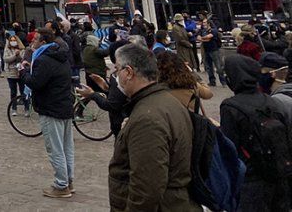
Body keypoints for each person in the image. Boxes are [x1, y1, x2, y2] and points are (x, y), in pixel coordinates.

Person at [107, 43, 198, 210]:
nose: (116, 76)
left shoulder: (147, 118)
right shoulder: (166, 101)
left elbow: (146, 188)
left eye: (117, 70)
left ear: (128, 72)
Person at [220, 53, 292, 209]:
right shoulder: (272, 101)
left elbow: (229, 149)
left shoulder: (231, 106)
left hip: (250, 180)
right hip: (279, 175)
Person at [19, 27, 75, 199]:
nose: (32, 41)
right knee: (66, 148)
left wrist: (24, 71)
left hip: (51, 108)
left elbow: (35, 82)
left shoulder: (43, 59)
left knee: (55, 149)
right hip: (64, 106)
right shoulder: (61, 56)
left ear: (43, 42)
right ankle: (68, 181)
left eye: (35, 39)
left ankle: (61, 185)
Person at [3, 34, 29, 115]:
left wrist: (19, 55)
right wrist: (15, 55)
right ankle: (14, 108)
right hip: (11, 73)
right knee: (13, 92)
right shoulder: (7, 49)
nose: (13, 42)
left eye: (14, 40)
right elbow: (6, 59)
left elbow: (23, 59)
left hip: (20, 73)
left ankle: (26, 108)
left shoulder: (22, 49)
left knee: (23, 91)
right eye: (11, 40)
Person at [199, 17, 225, 86]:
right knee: (209, 67)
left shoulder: (213, 30)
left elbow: (209, 37)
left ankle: (223, 81)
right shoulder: (202, 31)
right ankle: (212, 81)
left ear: (209, 23)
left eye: (204, 22)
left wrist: (202, 38)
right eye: (203, 22)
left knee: (218, 66)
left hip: (214, 50)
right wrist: (204, 39)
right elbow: (198, 37)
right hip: (206, 50)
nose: (203, 24)